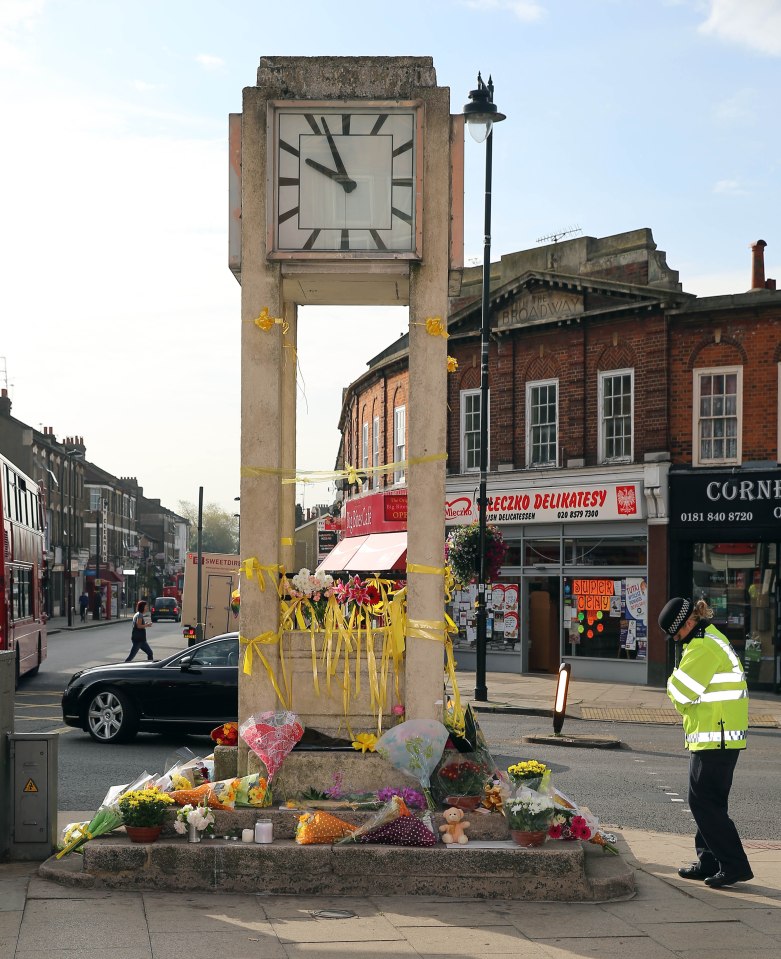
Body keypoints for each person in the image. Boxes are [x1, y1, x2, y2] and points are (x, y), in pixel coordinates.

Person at [659, 596, 753, 889]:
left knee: (703, 802)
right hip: (717, 735)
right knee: (709, 802)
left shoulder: (702, 647)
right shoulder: (710, 638)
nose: (676, 640)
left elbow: (681, 693)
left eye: (676, 634)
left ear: (688, 623)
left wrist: (672, 682)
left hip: (716, 736)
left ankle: (734, 865)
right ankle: (709, 861)